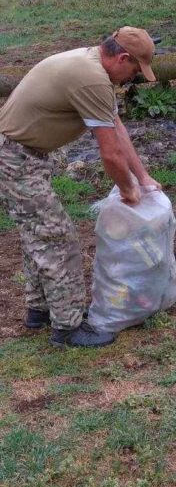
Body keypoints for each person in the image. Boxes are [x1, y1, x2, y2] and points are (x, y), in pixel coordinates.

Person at [0, 27, 162, 348]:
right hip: (15, 159)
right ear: (122, 57)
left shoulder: (91, 66)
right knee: (58, 240)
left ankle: (40, 311)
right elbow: (110, 153)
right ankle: (68, 327)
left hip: (22, 154)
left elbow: (116, 129)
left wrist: (142, 179)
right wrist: (128, 191)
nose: (132, 78)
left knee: (39, 235)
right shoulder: (91, 79)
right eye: (134, 70)